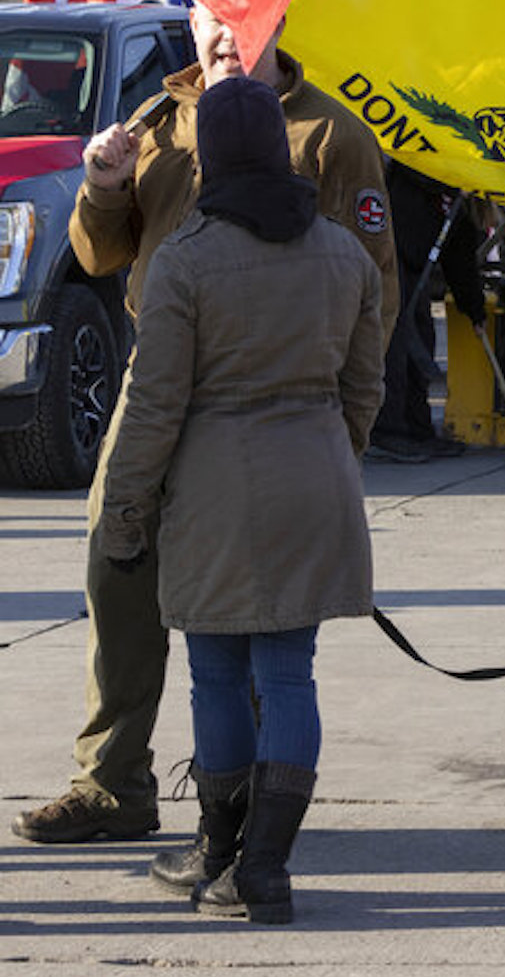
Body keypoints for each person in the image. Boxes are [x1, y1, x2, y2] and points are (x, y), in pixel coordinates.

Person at [13, 2, 393, 849]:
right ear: (190, 26)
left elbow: (373, 294)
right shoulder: (157, 121)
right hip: (153, 395)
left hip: (269, 413)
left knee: (256, 617)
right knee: (119, 581)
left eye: (246, 20)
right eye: (212, 20)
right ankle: (113, 784)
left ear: (285, 16)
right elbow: (101, 253)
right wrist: (103, 188)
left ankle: (250, 811)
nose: (226, 37)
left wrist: (344, 439)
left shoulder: (332, 135)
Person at [90, 76, 384, 924]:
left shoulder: (187, 258)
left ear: (211, 154)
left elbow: (153, 409)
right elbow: (364, 388)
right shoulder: (342, 254)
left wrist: (125, 514)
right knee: (290, 673)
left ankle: (221, 853)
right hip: (317, 474)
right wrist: (333, 456)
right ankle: (265, 868)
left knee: (216, 675)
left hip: (215, 489)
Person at [370, 160, 484, 463]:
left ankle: (417, 428)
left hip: (412, 263)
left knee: (421, 336)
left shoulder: (454, 196)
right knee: (396, 344)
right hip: (389, 258)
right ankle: (389, 430)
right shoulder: (406, 172)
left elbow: (459, 254)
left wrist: (474, 308)